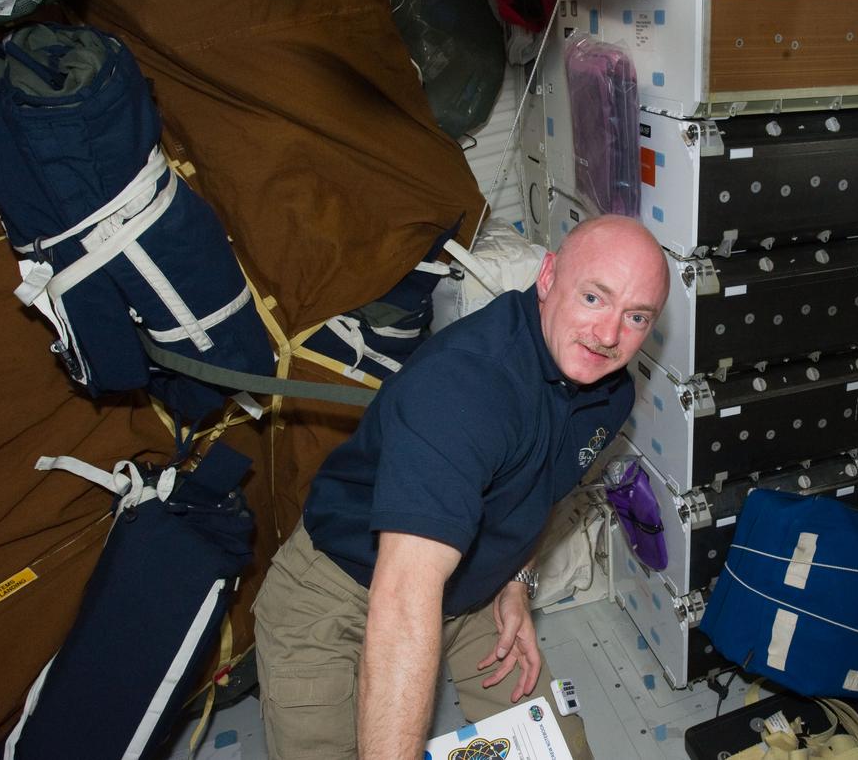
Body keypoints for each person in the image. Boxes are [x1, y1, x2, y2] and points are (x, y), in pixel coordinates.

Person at [253, 215, 670, 760]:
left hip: (475, 590)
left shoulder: (609, 389)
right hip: (343, 587)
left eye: (636, 316)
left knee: (561, 751)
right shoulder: (466, 388)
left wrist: (517, 581)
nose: (610, 335)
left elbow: (542, 488)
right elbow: (403, 597)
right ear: (548, 277)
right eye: (594, 297)